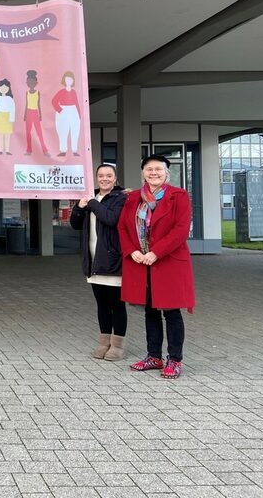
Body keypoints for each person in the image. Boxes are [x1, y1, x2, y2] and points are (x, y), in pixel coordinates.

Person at [118, 154, 195, 379]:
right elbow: (123, 227)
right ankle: (154, 356)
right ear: (143, 172)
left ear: (166, 173)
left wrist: (155, 252)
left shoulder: (178, 196)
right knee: (150, 310)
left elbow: (180, 231)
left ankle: (175, 359)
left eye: (158, 169)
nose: (154, 173)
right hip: (141, 262)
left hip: (168, 261)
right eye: (149, 169)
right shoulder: (133, 198)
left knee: (171, 311)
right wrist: (132, 250)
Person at [69, 164, 128, 360]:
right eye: (101, 175)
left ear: (115, 178)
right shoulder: (90, 197)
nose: (104, 179)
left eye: (109, 175)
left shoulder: (121, 198)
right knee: (101, 305)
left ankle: (117, 345)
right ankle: (104, 343)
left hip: (112, 260)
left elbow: (111, 219)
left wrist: (93, 203)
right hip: (93, 261)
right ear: (96, 178)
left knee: (116, 305)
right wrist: (79, 207)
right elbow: (75, 224)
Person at [51, 71, 82, 157]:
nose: (69, 81)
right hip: (63, 110)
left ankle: (74, 150)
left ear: (73, 81)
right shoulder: (61, 91)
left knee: (75, 130)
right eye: (67, 79)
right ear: (64, 80)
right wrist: (60, 110)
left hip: (73, 111)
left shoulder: (74, 92)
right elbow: (54, 101)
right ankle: (63, 150)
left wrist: (79, 115)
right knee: (62, 131)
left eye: (70, 79)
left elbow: (77, 103)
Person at [23, 69, 49, 156]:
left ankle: (44, 150)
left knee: (39, 132)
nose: (30, 84)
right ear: (27, 83)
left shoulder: (37, 92)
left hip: (35, 112)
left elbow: (38, 104)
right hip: (29, 113)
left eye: (32, 82)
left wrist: (40, 115)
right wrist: (25, 115)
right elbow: (26, 104)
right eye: (29, 82)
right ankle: (29, 150)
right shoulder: (27, 93)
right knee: (28, 132)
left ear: (35, 83)